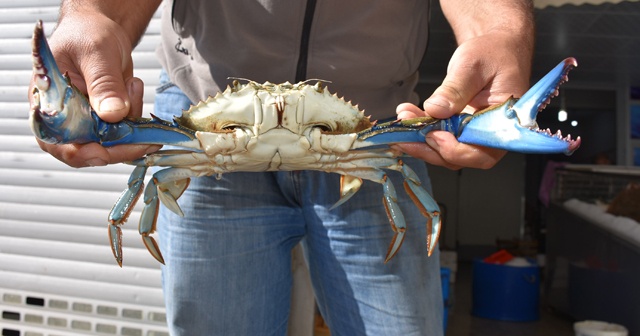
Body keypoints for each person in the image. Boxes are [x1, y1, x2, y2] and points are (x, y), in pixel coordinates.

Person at [32, 0, 534, 335]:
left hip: (364, 130)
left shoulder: (375, 149)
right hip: (205, 122)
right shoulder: (185, 146)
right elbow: (147, 169)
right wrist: (94, 12)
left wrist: (500, 30)